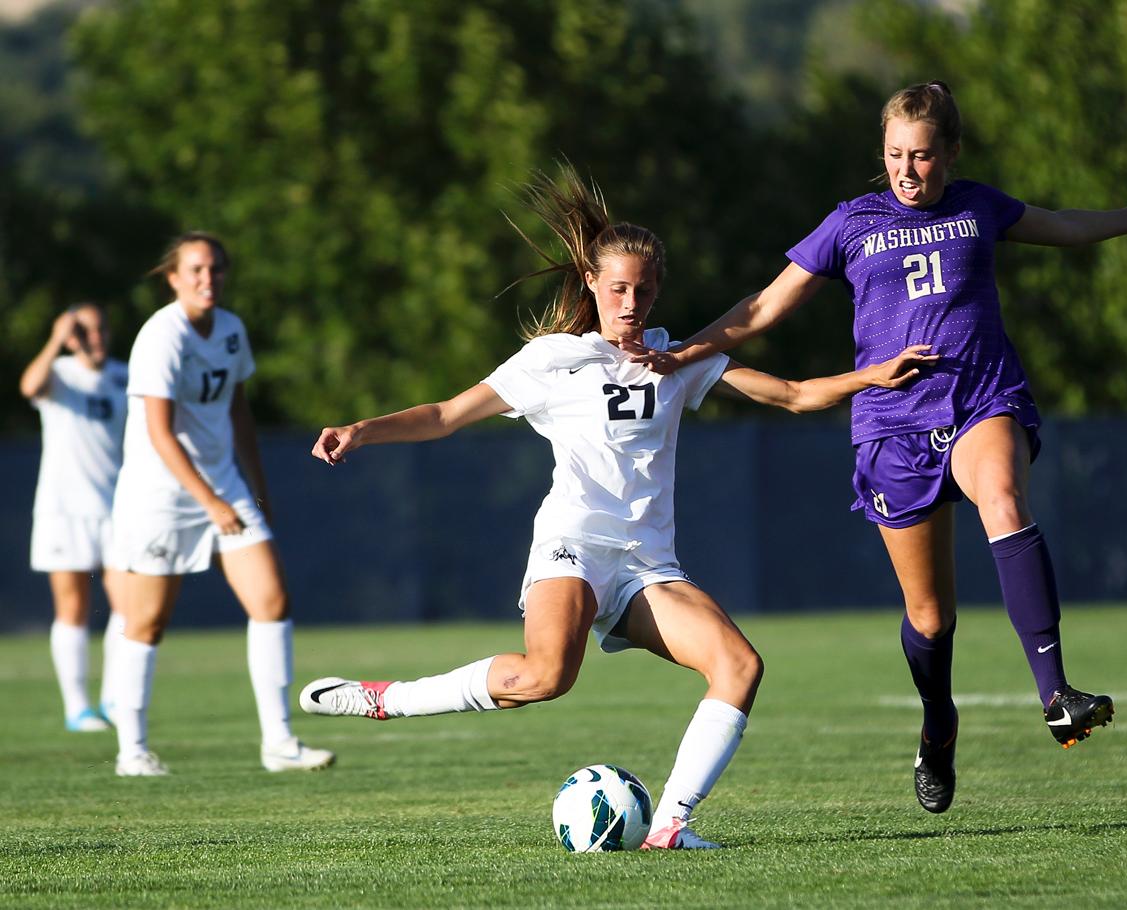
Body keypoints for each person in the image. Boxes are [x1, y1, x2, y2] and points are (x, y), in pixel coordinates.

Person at [299, 165, 934, 848]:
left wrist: (867, 376)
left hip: (646, 567)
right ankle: (387, 700)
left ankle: (670, 827)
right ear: (594, 286)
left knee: (740, 666)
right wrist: (361, 429)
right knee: (545, 677)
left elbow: (793, 394)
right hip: (573, 545)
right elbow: (447, 414)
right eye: (620, 287)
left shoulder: (678, 358)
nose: (632, 302)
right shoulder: (554, 360)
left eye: (646, 288)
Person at [623, 81, 1127, 814]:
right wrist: (687, 350)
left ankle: (1056, 693)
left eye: (921, 155)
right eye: (894, 156)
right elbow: (762, 308)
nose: (907, 170)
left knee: (1004, 500)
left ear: (951, 153)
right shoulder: (852, 222)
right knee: (931, 619)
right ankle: (938, 725)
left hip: (982, 401)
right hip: (891, 430)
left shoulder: (979, 205)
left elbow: (1063, 226)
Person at [107, 231, 334, 777]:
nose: (207, 279)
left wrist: (254, 486)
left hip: (223, 486)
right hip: (159, 495)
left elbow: (238, 415)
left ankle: (278, 742)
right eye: (195, 270)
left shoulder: (231, 330)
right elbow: (159, 434)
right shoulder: (160, 336)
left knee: (271, 601)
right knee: (146, 623)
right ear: (173, 277)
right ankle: (131, 751)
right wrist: (210, 503)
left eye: (215, 270)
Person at [20, 303, 128, 733]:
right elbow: (29, 386)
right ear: (68, 336)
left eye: (100, 328)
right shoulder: (59, 373)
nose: (95, 338)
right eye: (84, 332)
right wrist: (55, 338)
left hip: (118, 507)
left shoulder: (125, 374)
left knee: (130, 604)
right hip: (64, 509)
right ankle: (78, 707)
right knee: (73, 607)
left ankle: (116, 696)